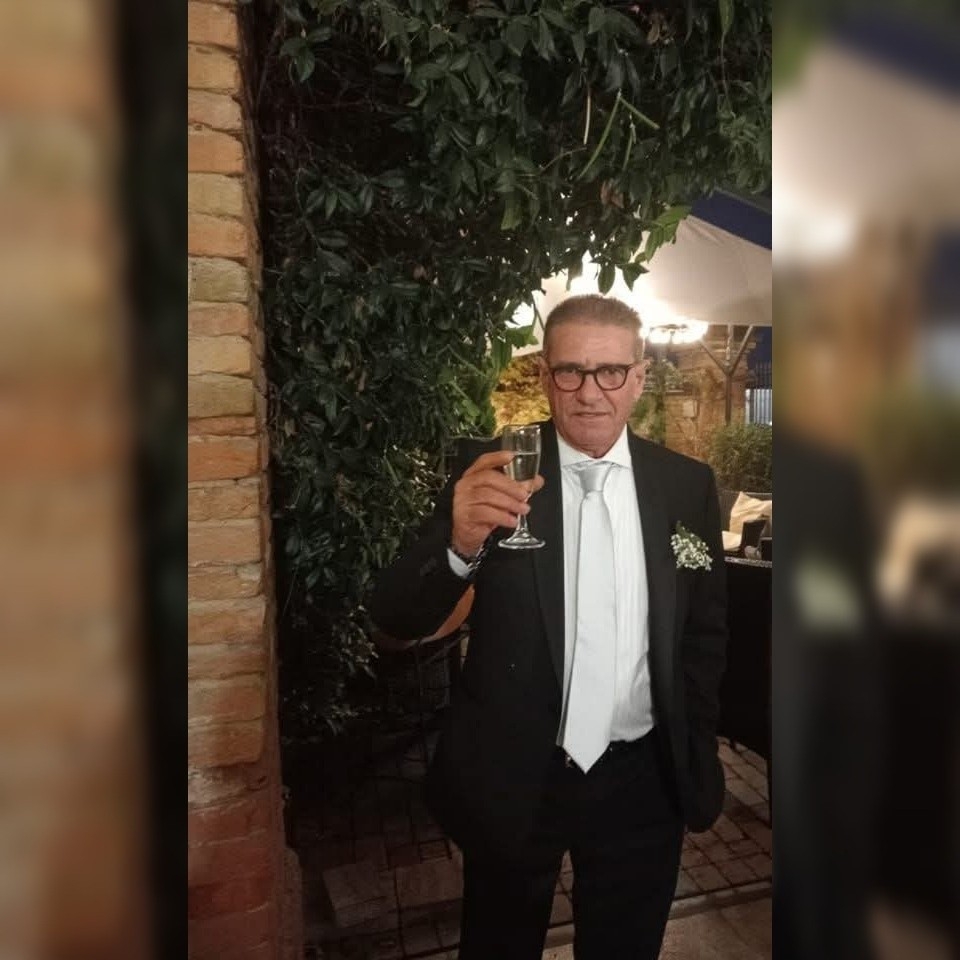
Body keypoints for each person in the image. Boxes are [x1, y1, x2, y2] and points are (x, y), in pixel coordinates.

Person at [370, 294, 728, 959]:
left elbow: (704, 633)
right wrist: (458, 543)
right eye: (570, 371)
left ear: (639, 376)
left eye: (610, 371)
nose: (590, 393)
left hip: (642, 780)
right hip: (517, 775)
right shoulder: (494, 468)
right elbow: (396, 618)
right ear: (545, 376)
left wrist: (694, 743)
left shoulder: (686, 484)